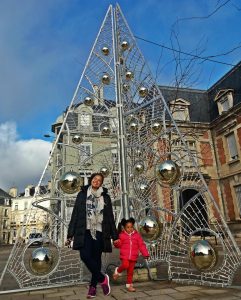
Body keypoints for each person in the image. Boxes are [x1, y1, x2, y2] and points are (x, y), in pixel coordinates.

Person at [66, 172, 119, 299]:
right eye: (95, 178)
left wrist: (115, 236)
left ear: (101, 183)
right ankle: (102, 278)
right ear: (91, 180)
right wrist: (70, 234)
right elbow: (75, 215)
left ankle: (93, 287)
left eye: (99, 180)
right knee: (85, 255)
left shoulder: (105, 197)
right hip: (85, 231)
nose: (96, 181)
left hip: (101, 231)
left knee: (96, 259)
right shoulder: (82, 194)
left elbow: (110, 217)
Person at [113, 217, 150, 292]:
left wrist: (145, 254)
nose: (130, 229)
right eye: (128, 227)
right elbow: (118, 245)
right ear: (124, 228)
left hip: (133, 256)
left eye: (131, 227)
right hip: (125, 256)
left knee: (130, 271)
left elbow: (141, 245)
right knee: (125, 265)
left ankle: (129, 285)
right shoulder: (121, 235)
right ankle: (118, 271)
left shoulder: (137, 235)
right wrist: (116, 243)